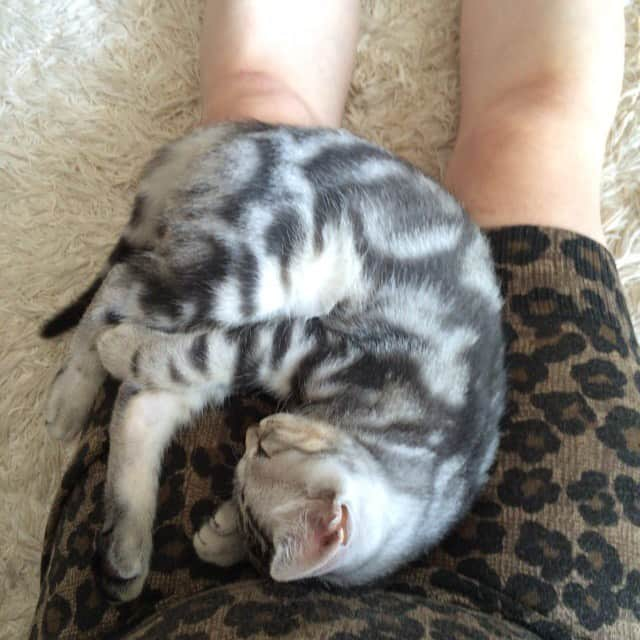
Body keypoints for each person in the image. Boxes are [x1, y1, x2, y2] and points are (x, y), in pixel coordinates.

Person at [32, 2, 639, 638]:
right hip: (530, 602)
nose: (255, 428)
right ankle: (126, 296)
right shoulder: (364, 465)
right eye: (263, 444)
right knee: (533, 130)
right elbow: (289, 346)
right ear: (334, 519)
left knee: (262, 97)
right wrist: (157, 357)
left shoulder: (329, 502)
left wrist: (255, 521)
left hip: (183, 615)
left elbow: (296, 490)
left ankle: (245, 141)